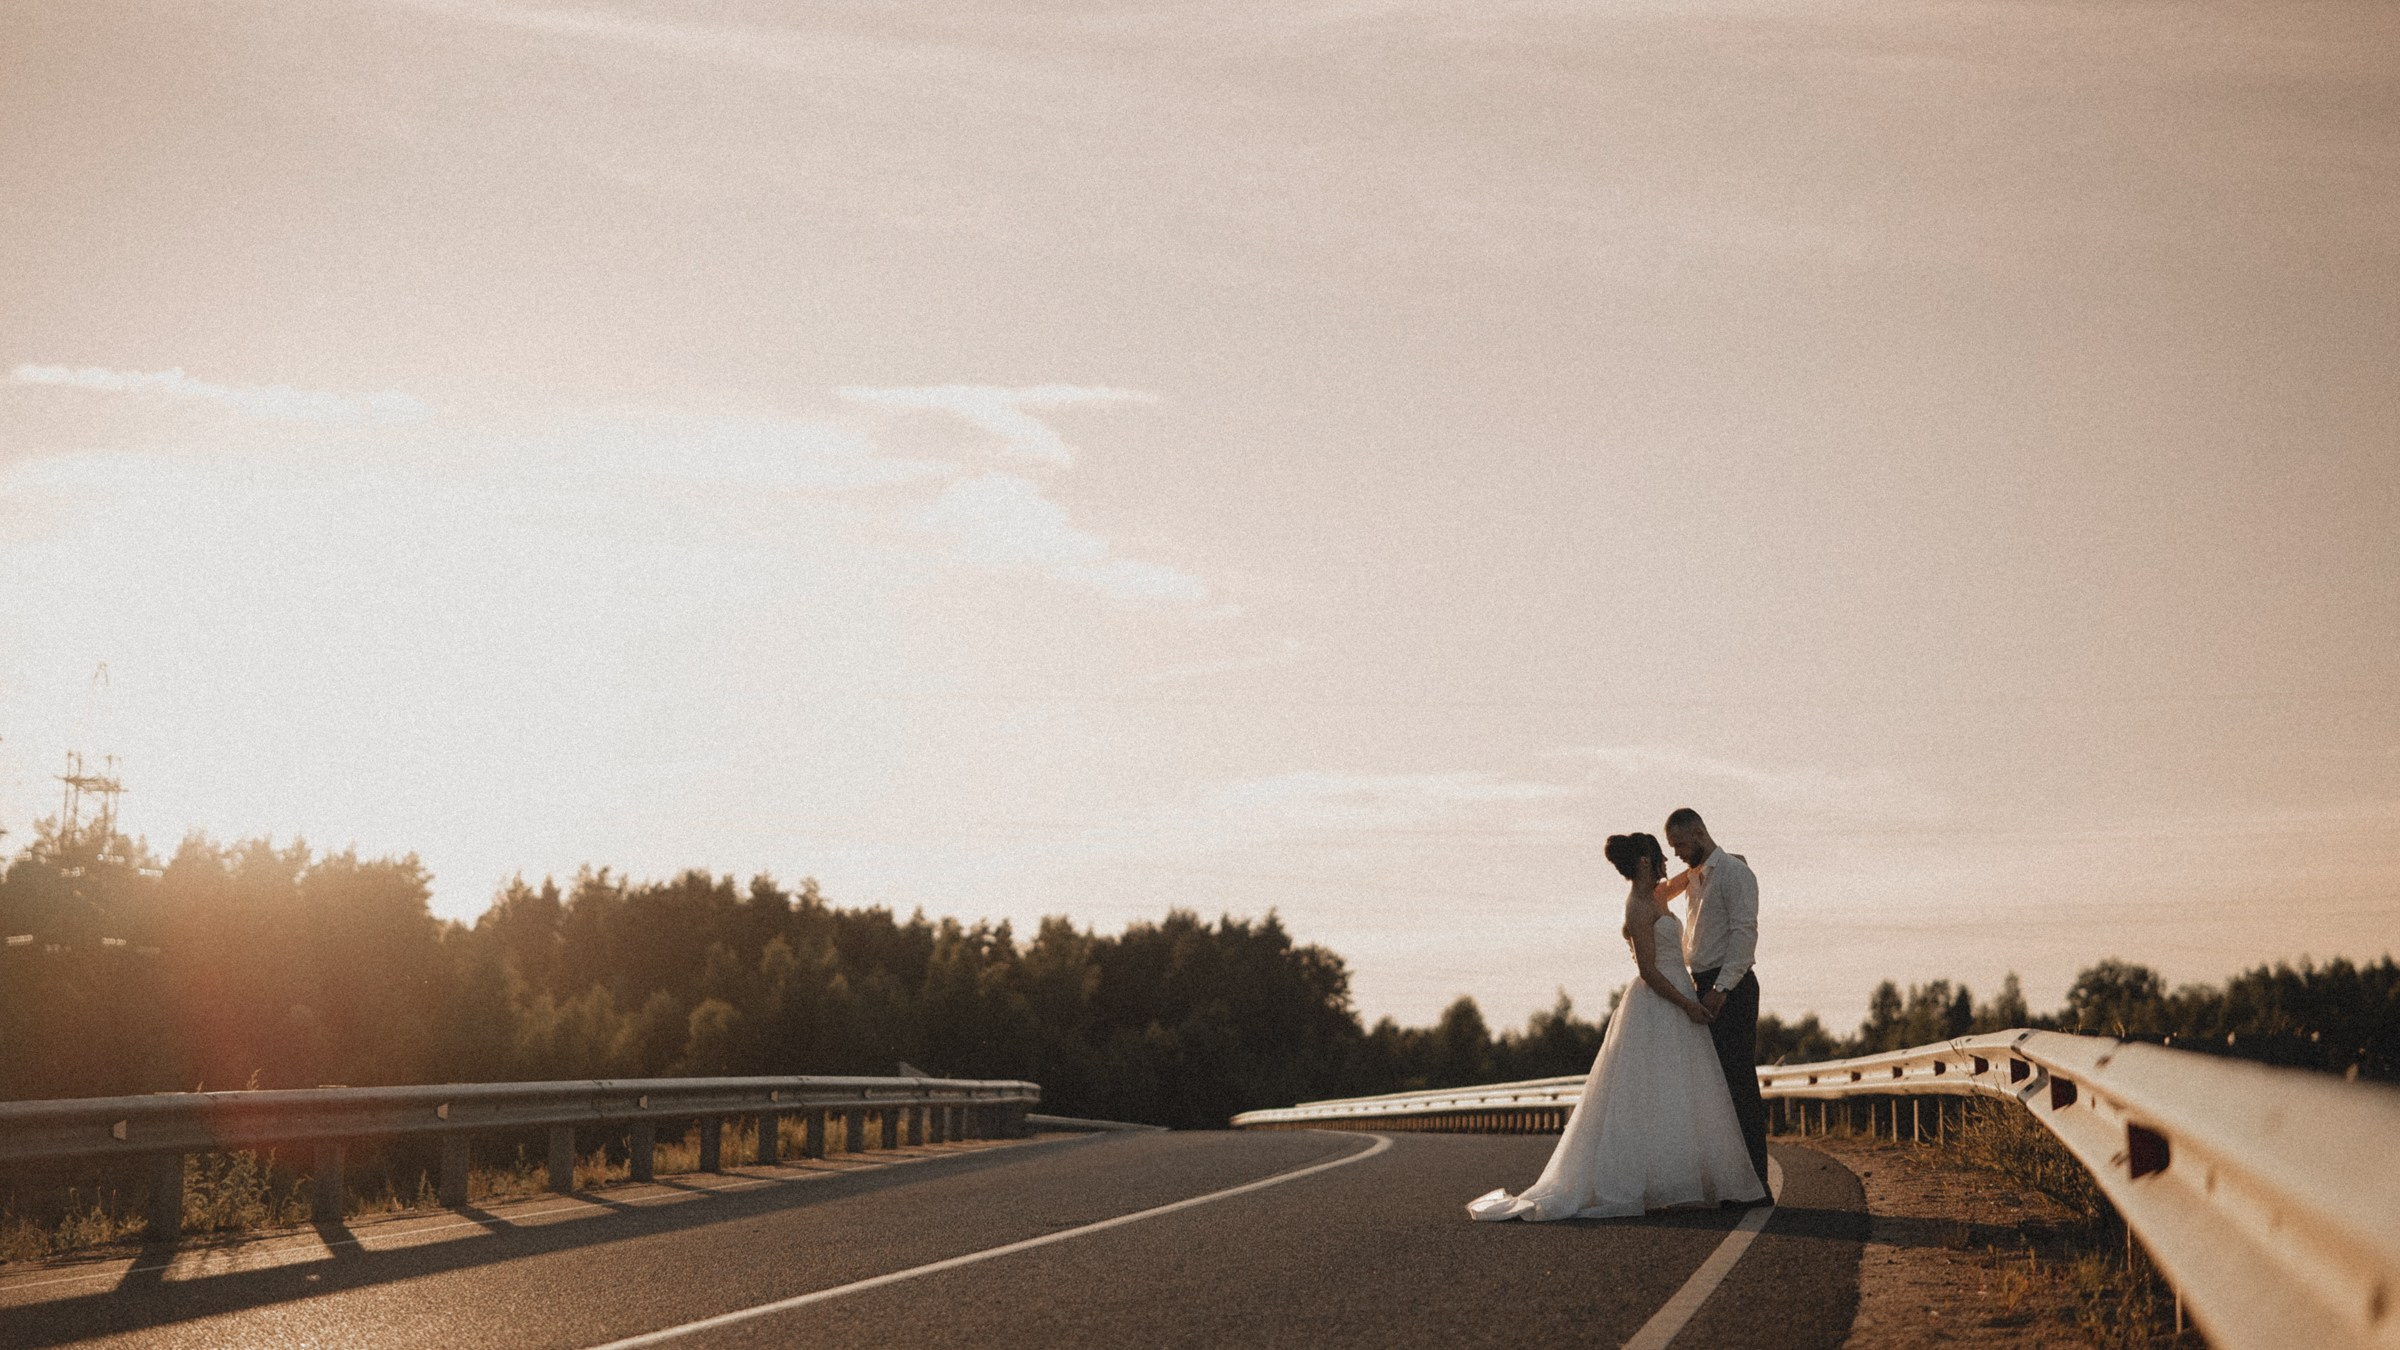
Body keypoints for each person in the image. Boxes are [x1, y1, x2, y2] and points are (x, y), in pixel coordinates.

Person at [1466, 831, 1766, 1220]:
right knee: (1647, 1092)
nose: (1667, 861)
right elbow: (1648, 971)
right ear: (1645, 861)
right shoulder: (1637, 907)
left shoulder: (1658, 896)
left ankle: (1683, 1179)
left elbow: (1692, 876)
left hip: (1681, 998)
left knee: (1680, 1090)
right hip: (1660, 1001)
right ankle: (1645, 1182)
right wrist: (1686, 1005)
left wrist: (1729, 861)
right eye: (1660, 855)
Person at [1665, 806, 1770, 1193]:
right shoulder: (1696, 876)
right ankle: (1728, 1181)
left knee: (1739, 1085)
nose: (1675, 852)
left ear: (1698, 832)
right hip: (1702, 984)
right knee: (1714, 1090)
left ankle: (1756, 1184)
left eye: (1679, 844)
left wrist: (1721, 990)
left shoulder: (1735, 874)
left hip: (1731, 987)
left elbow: (1745, 935)